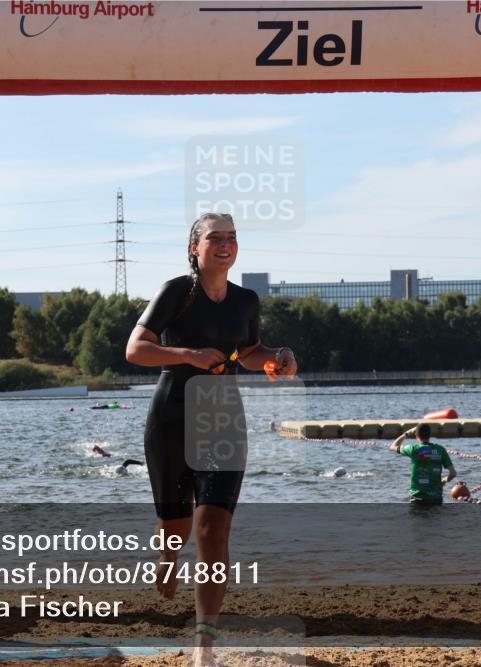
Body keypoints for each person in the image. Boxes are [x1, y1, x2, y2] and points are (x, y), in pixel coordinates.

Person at [125, 212, 297, 667]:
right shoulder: (177, 292)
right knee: (176, 528)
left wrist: (277, 357)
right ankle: (167, 555)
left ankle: (203, 645)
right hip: (172, 417)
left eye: (232, 237)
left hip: (222, 417)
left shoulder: (246, 300)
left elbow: (248, 352)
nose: (225, 244)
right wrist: (189, 355)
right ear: (195, 246)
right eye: (215, 237)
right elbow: (135, 349)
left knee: (213, 528)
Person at [389, 423, 457, 505]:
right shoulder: (440, 450)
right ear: (429, 435)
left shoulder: (413, 449)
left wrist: (406, 434)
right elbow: (453, 474)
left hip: (417, 498)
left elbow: (393, 446)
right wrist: (443, 481)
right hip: (436, 498)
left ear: (416, 435)